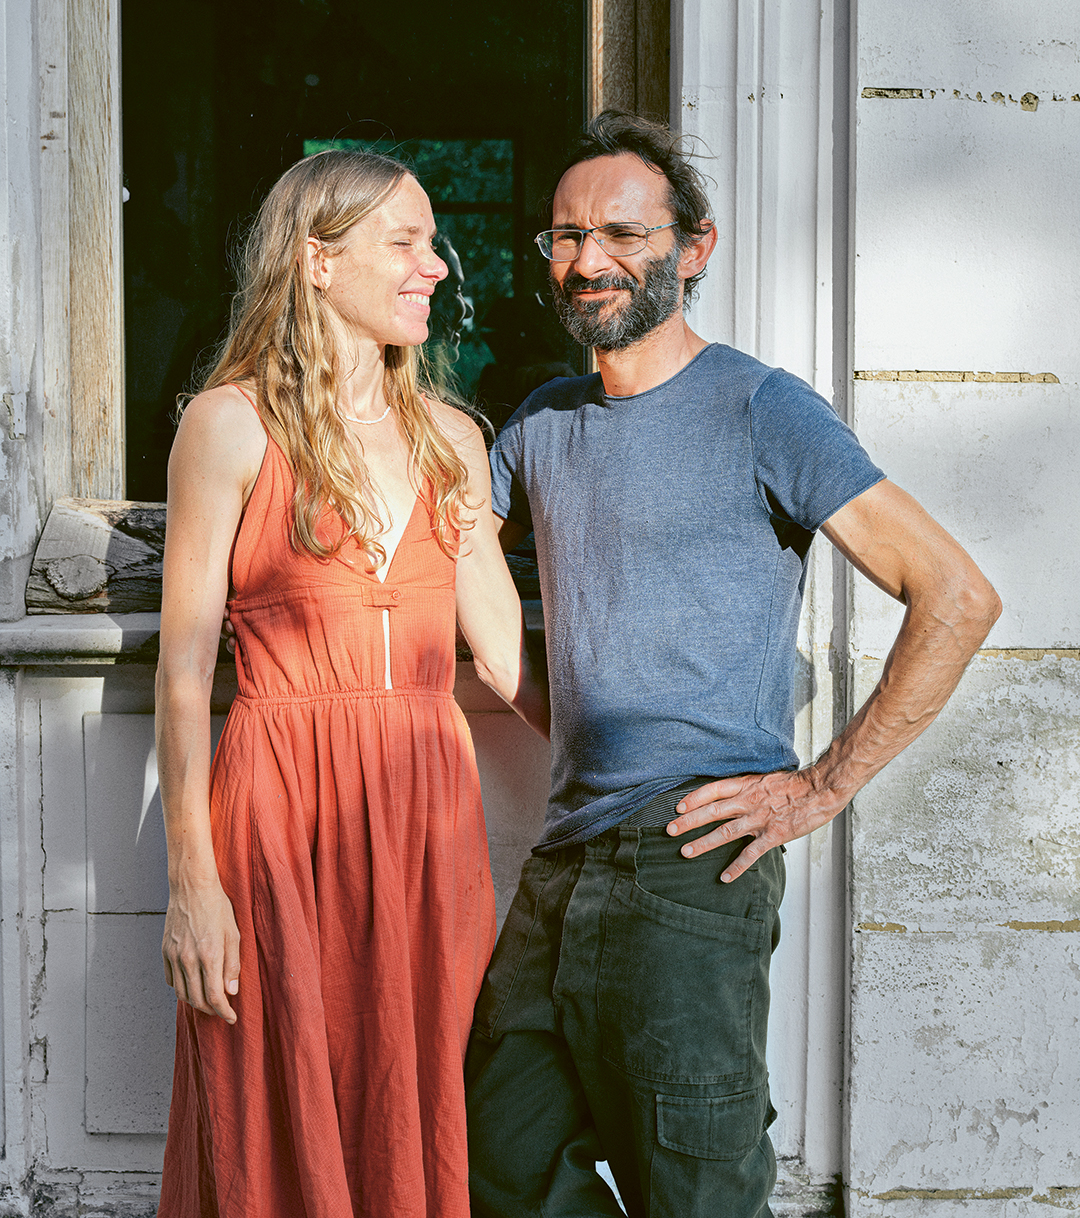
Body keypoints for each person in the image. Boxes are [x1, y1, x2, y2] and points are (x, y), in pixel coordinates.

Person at [464, 110, 1001, 1218]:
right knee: (497, 1156)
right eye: (566, 236)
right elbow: (436, 575)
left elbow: (955, 594)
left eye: (623, 231)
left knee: (696, 1186)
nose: (589, 258)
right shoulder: (539, 425)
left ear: (692, 248)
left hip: (691, 859)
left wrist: (820, 787)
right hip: (565, 859)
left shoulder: (762, 408)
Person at [154, 147, 547, 1218]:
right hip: (280, 805)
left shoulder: (454, 439)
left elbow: (505, 661)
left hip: (427, 814)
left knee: (414, 1092)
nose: (438, 266)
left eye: (434, 242)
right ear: (318, 262)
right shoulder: (228, 425)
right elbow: (186, 671)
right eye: (405, 242)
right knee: (271, 1094)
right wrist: (193, 886)